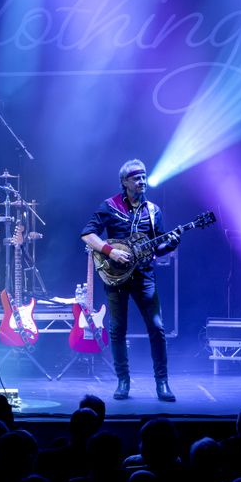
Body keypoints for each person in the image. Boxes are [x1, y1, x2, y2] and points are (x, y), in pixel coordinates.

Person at [80, 159, 179, 401]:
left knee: (156, 327)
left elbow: (157, 248)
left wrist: (171, 244)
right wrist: (110, 251)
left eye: (144, 176)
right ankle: (123, 381)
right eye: (136, 177)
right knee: (117, 329)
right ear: (125, 182)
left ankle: (162, 382)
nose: (142, 181)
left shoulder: (153, 211)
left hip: (144, 275)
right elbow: (87, 233)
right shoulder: (110, 206)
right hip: (115, 276)